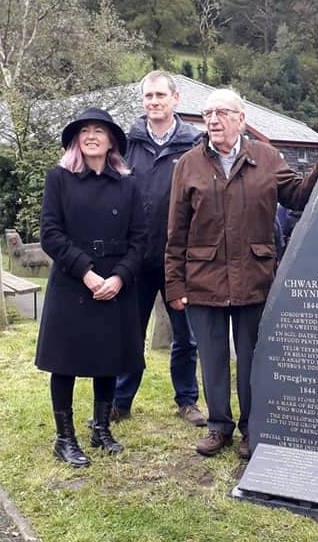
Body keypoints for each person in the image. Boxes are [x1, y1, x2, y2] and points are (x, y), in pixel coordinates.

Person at [165, 88, 318, 459]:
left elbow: (296, 196)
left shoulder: (266, 157)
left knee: (252, 358)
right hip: (204, 279)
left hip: (255, 277)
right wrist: (174, 284)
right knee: (212, 358)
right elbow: (176, 230)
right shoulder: (188, 164)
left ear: (241, 119)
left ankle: (253, 427)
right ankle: (218, 427)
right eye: (207, 114)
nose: (213, 120)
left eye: (222, 113)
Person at [35, 108, 146, 468]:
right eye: (84, 131)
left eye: (99, 130)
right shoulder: (59, 178)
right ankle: (64, 438)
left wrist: (119, 277)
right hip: (72, 281)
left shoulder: (128, 184)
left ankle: (101, 429)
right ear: (76, 140)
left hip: (116, 281)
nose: (91, 136)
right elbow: (50, 234)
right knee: (64, 362)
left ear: (112, 139)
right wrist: (86, 272)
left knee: (109, 359)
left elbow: (140, 239)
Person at [112, 71, 206, 427]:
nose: (154, 102)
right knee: (129, 333)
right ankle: (121, 400)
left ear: (175, 99)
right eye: (148, 96)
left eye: (160, 96)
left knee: (186, 335)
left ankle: (186, 400)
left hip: (179, 258)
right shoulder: (126, 143)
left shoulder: (195, 143)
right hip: (135, 256)